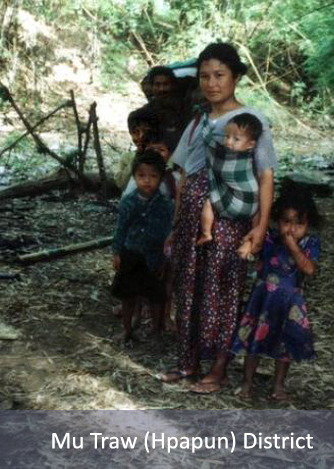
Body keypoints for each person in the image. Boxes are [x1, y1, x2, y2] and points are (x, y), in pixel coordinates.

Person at [158, 42, 277, 394]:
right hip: (192, 218)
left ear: (235, 77)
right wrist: (176, 224)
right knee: (188, 288)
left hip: (227, 219)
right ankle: (188, 363)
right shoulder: (198, 121)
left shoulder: (251, 121)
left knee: (221, 290)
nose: (211, 83)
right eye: (205, 76)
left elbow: (265, 176)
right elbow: (183, 175)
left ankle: (218, 370)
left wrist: (260, 226)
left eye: (220, 75)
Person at [230, 187, 322, 401]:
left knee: (285, 345)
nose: (291, 229)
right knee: (254, 342)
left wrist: (293, 247)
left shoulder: (310, 243)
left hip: (290, 304)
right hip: (263, 301)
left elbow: (309, 269)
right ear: (277, 221)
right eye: (286, 222)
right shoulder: (270, 239)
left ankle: (278, 386)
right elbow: (252, 247)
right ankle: (247, 383)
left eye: (299, 223)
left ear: (308, 224)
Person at [110, 150, 174, 345]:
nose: (147, 181)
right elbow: (121, 228)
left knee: (155, 296)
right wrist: (116, 252)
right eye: (141, 176)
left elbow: (167, 233)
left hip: (154, 256)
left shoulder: (165, 205)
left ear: (161, 178)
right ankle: (127, 329)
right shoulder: (128, 202)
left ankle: (155, 331)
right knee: (128, 295)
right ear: (134, 176)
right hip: (131, 254)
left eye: (153, 176)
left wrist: (164, 259)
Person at [197, 113, 263, 248]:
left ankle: (206, 233)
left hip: (238, 205)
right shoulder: (249, 157)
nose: (228, 142)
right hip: (253, 206)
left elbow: (211, 148)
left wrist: (204, 123)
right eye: (227, 136)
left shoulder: (229, 158)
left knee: (209, 201)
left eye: (236, 139)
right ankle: (249, 242)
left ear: (251, 144)